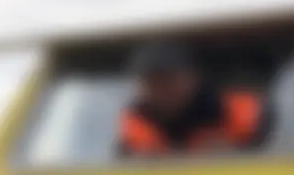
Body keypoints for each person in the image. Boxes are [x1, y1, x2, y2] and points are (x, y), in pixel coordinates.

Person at [116, 40, 272, 157]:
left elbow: (277, 153)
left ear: (192, 78)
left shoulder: (237, 110)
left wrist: (236, 152)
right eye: (152, 82)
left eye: (169, 79)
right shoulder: (134, 122)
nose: (161, 89)